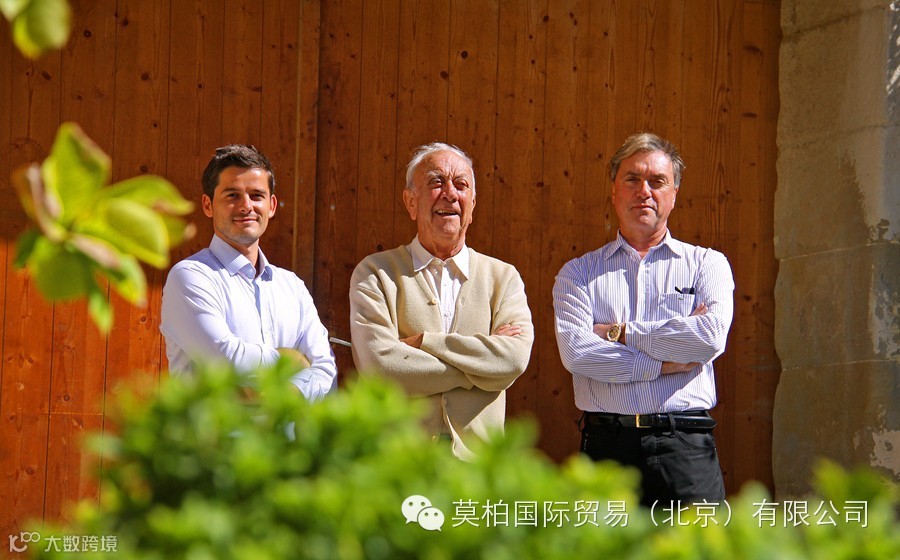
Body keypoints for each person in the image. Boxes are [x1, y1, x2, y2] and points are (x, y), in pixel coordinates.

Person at [552, 132, 734, 506]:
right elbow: (578, 354)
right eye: (632, 179)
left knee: (698, 542)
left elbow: (710, 337)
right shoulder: (578, 273)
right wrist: (664, 363)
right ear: (614, 191)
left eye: (657, 181)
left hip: (685, 445)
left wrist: (619, 333)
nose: (644, 191)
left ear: (674, 194)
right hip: (607, 446)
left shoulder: (706, 264)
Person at [349, 142, 534, 459]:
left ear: (472, 204)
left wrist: (424, 342)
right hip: (400, 462)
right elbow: (381, 369)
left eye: (461, 185)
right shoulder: (375, 273)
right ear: (410, 202)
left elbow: (513, 360)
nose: (450, 194)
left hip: (478, 467)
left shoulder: (503, 277)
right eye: (436, 182)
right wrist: (482, 371)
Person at [160, 144, 336, 401]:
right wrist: (296, 363)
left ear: (271, 205)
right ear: (208, 205)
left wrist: (286, 396)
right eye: (232, 195)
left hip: (289, 429)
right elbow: (224, 360)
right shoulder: (190, 277)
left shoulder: (293, 287)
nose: (246, 206)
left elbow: (326, 371)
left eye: (256, 195)